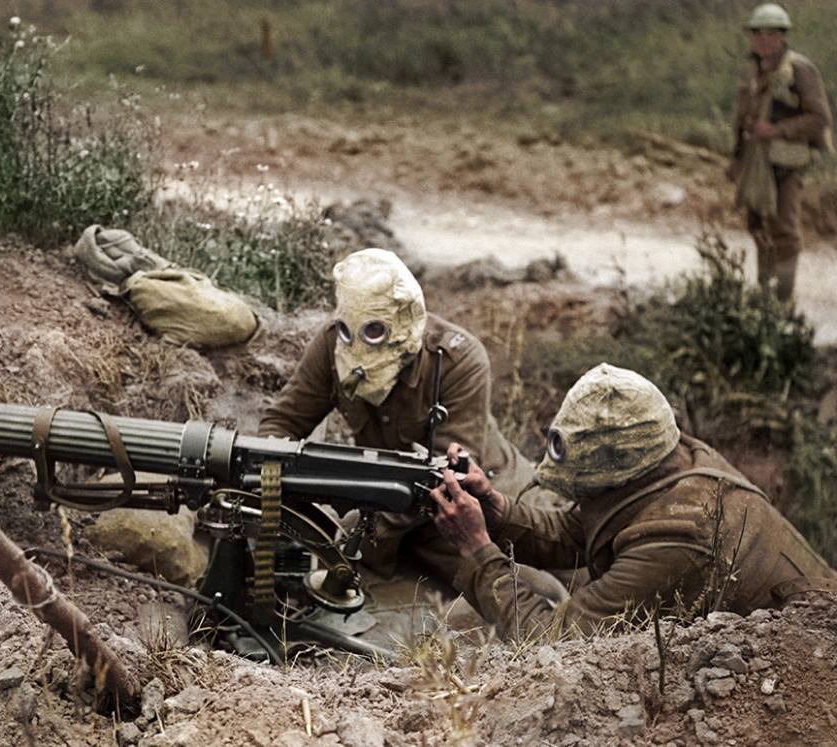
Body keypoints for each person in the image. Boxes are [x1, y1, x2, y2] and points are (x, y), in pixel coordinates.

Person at [429, 362, 837, 640]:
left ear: (616, 471)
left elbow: (551, 640)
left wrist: (478, 550)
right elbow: (582, 531)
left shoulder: (679, 537)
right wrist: (496, 511)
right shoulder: (672, 459)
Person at [258, 248, 549, 581]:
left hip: (464, 510)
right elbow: (283, 421)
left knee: (524, 593)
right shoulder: (332, 345)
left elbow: (447, 476)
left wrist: (363, 529)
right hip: (387, 504)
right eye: (349, 329)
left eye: (375, 330)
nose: (359, 345)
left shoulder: (458, 360)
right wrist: (275, 495)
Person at [728, 3, 833, 303]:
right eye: (757, 34)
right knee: (757, 225)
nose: (763, 40)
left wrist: (778, 130)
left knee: (784, 229)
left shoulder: (799, 69)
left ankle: (783, 299)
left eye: (770, 34)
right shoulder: (752, 69)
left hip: (786, 161)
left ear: (783, 36)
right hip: (755, 161)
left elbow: (819, 117)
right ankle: (764, 294)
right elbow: (741, 117)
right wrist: (736, 157)